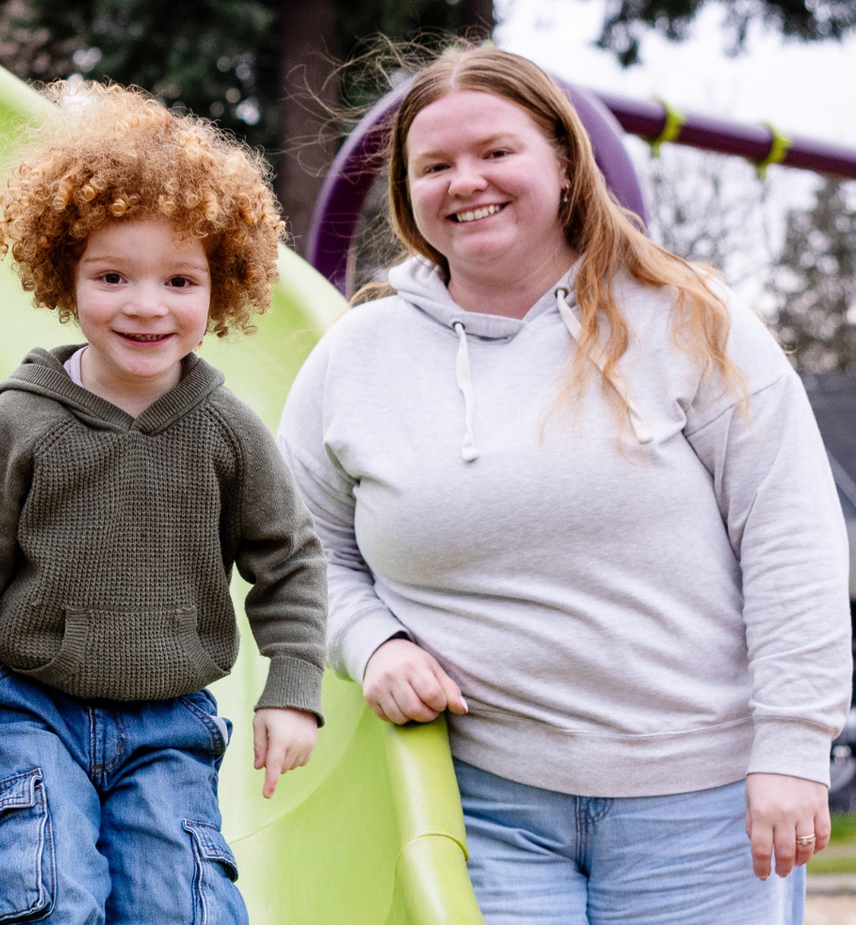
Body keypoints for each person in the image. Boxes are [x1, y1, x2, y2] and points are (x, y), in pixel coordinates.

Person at [277, 45, 851, 924]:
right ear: (408, 193)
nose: (466, 181)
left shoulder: (690, 316)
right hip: (481, 799)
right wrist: (373, 644)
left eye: (496, 152)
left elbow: (794, 540)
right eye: (434, 165)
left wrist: (795, 747)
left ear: (563, 162)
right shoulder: (356, 355)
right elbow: (299, 552)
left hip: (706, 806)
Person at [0, 81, 327, 925]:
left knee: (183, 906)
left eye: (179, 279)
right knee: (44, 891)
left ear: (222, 286)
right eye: (113, 276)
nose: (146, 305)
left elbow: (290, 564)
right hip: (27, 708)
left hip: (169, 724)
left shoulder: (226, 431)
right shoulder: (21, 423)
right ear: (67, 274)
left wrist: (291, 686)